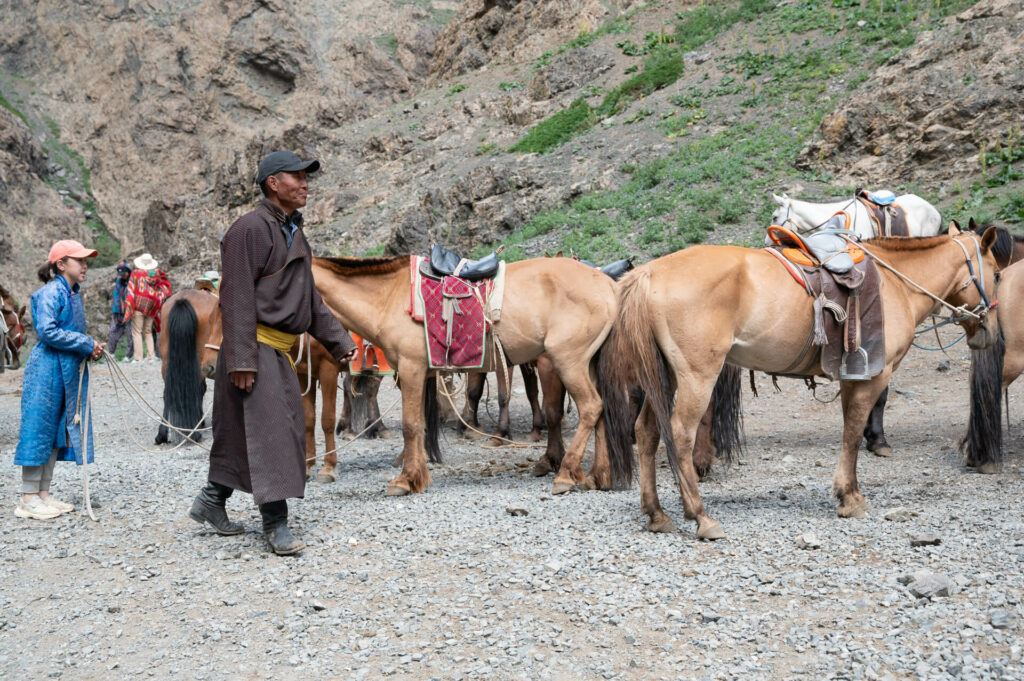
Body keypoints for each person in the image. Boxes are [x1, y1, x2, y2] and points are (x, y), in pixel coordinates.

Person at [189, 150, 358, 555]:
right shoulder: (248, 229)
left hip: (273, 351)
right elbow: (236, 296)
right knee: (276, 433)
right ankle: (276, 524)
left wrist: (340, 342)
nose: (305, 184)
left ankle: (212, 501)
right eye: (296, 177)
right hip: (254, 350)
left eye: (306, 178)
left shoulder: (293, 233)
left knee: (238, 433)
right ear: (272, 183)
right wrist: (242, 359)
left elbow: (310, 300)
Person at [14, 240, 105, 520]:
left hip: (65, 369)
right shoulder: (50, 292)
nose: (85, 266)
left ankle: (43, 494)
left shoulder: (72, 293)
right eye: (80, 261)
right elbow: (47, 331)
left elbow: (70, 335)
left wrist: (89, 349)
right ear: (62, 264)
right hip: (46, 369)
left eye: (86, 261)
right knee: (38, 428)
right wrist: (85, 342)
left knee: (55, 432)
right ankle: (28, 498)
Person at [122, 253, 163, 362]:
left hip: (138, 306)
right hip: (151, 307)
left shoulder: (136, 273)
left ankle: (138, 358)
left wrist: (129, 305)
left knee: (137, 332)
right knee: (148, 331)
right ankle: (151, 356)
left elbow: (130, 289)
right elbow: (160, 290)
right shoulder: (156, 274)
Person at [107, 262, 134, 360]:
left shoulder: (132, 282)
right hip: (119, 313)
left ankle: (128, 356)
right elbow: (116, 298)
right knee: (113, 332)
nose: (122, 276)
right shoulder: (118, 282)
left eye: (124, 274)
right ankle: (111, 354)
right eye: (121, 274)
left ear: (128, 272)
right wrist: (115, 313)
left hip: (130, 313)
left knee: (131, 334)